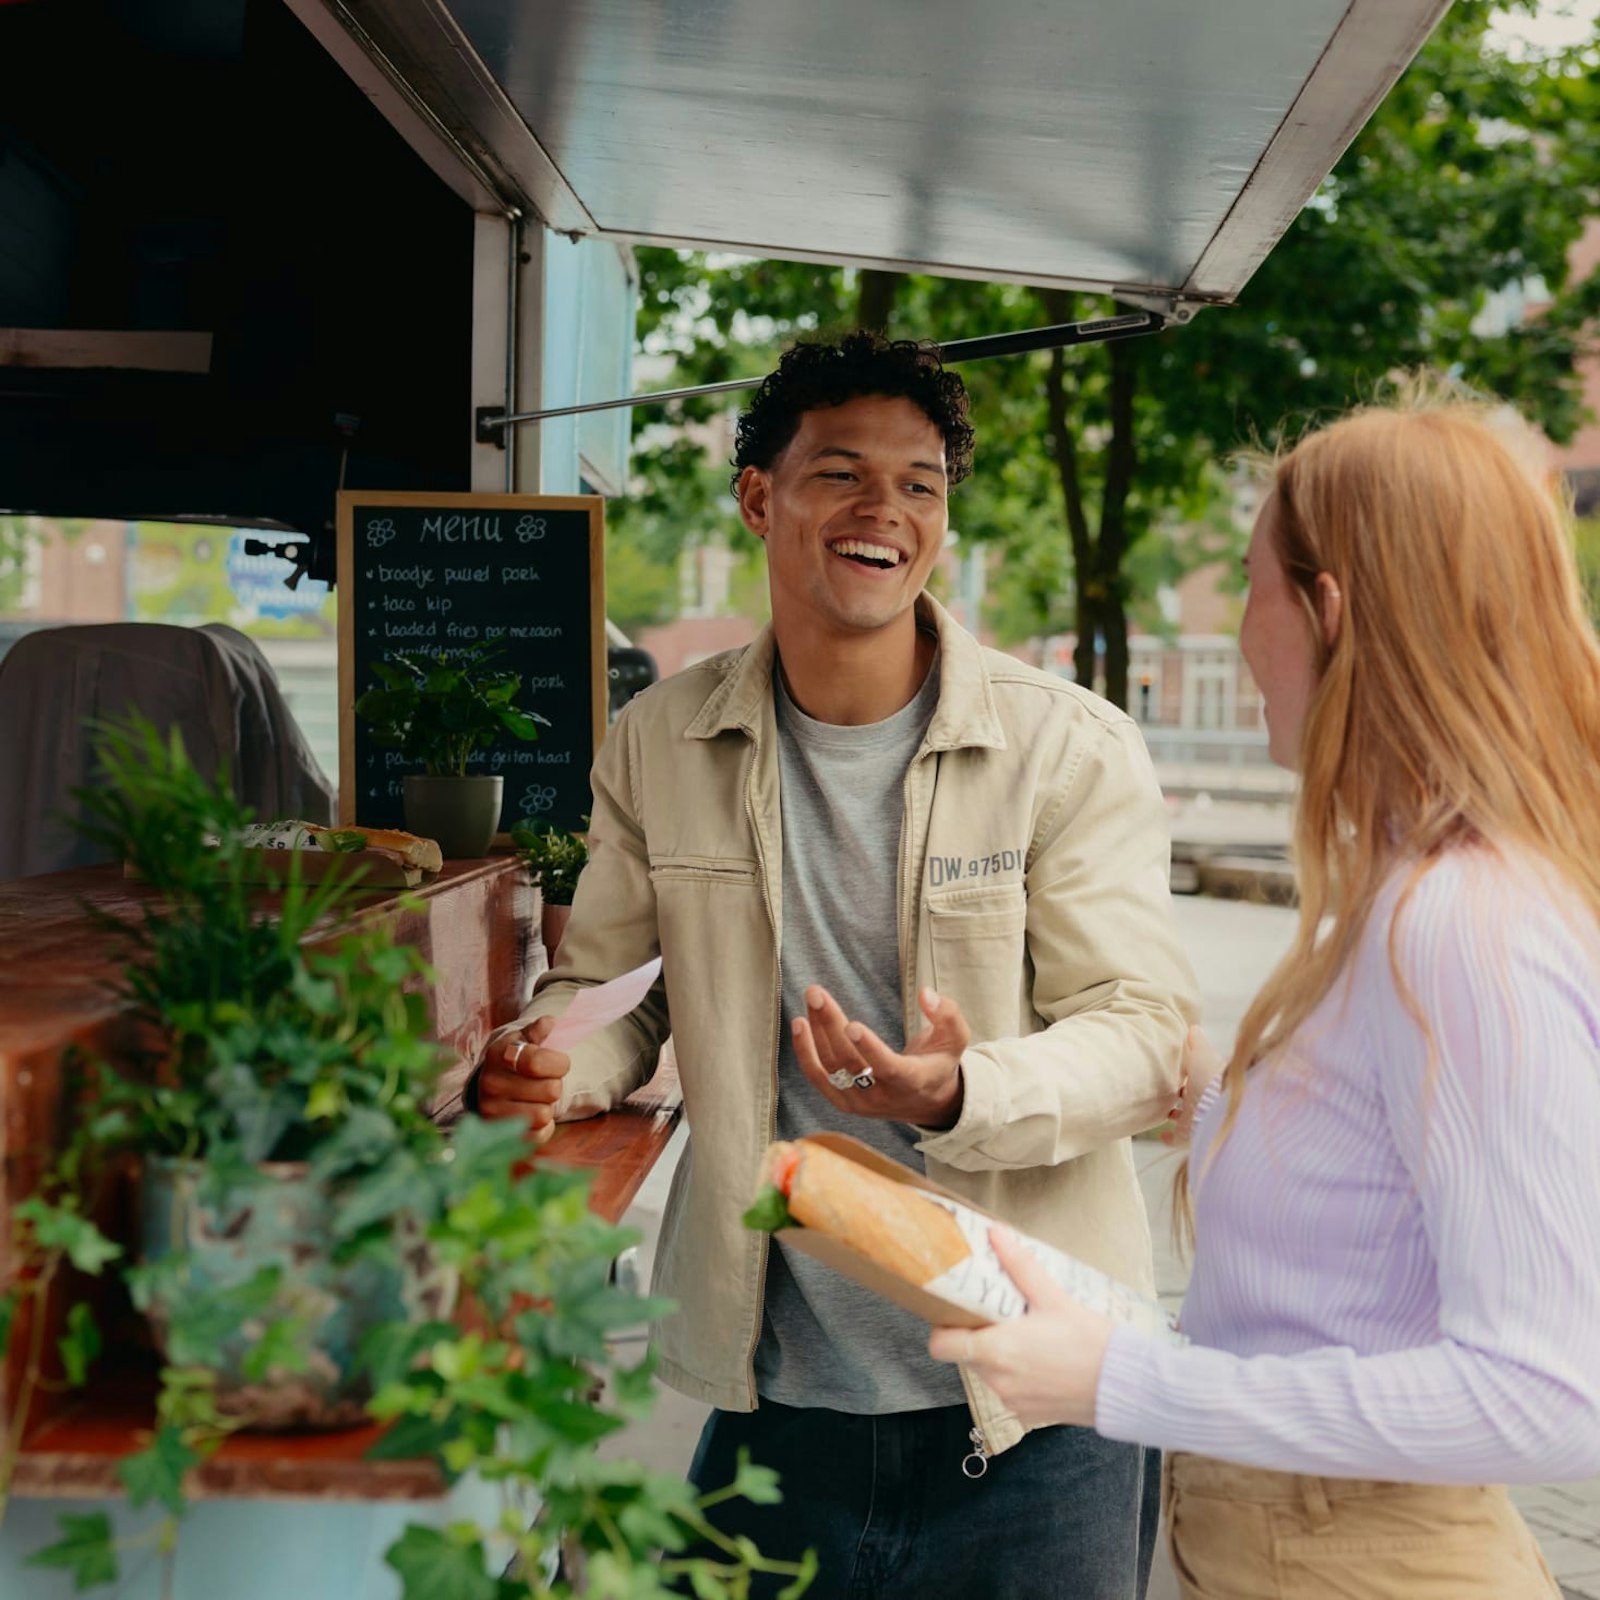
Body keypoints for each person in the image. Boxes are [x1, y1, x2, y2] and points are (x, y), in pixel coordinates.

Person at [474, 330, 1199, 1598]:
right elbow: (610, 1000)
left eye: (920, 485)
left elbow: (1141, 1033)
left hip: (1041, 1400)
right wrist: (556, 1067)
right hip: (779, 1401)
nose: (884, 512)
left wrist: (956, 1091)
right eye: (841, 474)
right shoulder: (659, 738)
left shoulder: (1067, 749)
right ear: (759, 495)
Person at [933, 387, 1600, 1599]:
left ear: (1328, 610)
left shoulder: (1463, 922)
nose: (1241, 631)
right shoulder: (1410, 889)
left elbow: (1543, 1396)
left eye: (1251, 584)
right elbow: (1373, 1179)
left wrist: (1120, 1380)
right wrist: (1199, 1086)